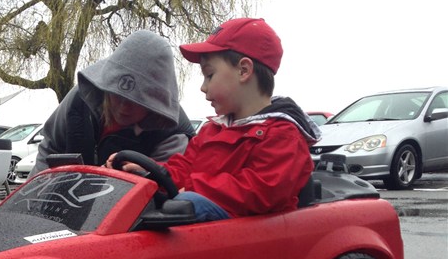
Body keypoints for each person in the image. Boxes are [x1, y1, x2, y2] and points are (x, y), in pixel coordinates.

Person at [108, 17, 319, 222]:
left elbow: (263, 191)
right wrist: (148, 170)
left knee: (189, 203)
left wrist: (194, 189)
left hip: (251, 235)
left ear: (244, 71)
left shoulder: (282, 134)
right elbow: (184, 168)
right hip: (215, 230)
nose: (203, 87)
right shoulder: (212, 130)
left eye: (209, 75)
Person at [29, 30, 195, 176]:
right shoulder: (79, 100)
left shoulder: (172, 136)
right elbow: (49, 150)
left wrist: (143, 174)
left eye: (135, 100)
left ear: (154, 101)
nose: (123, 107)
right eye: (117, 94)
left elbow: (164, 189)